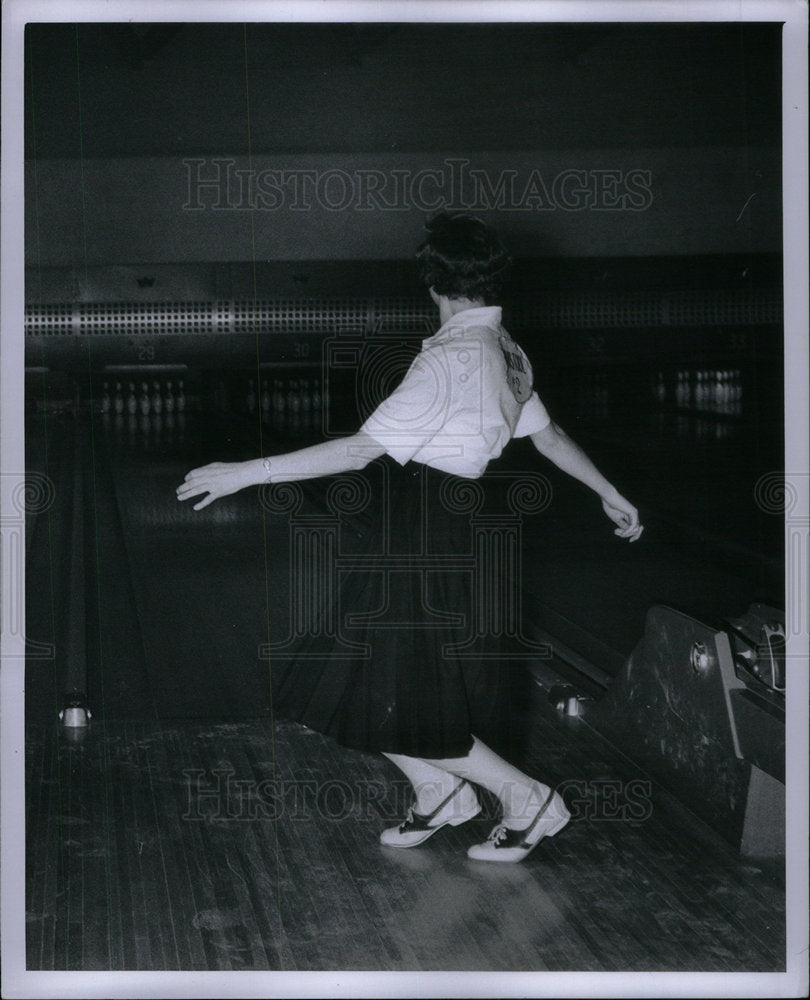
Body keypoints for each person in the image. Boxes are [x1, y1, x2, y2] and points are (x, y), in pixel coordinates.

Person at [176, 213, 643, 863]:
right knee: (347, 673)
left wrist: (245, 472)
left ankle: (529, 801)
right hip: (447, 525)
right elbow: (549, 436)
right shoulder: (507, 350)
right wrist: (608, 489)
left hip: (425, 530)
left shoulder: (452, 359)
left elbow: (362, 449)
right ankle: (439, 792)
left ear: (432, 284)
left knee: (403, 688)